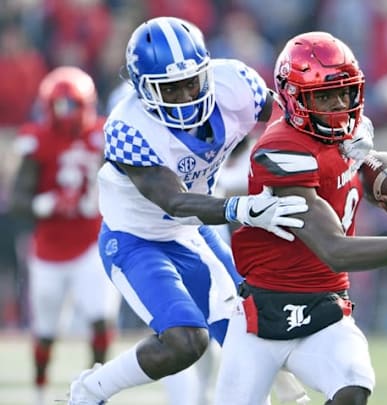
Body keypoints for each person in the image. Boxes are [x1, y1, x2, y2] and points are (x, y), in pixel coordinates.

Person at [213, 31, 387, 405]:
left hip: (326, 310)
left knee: (353, 386)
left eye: (345, 92)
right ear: (294, 98)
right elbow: (335, 249)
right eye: (324, 96)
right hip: (261, 317)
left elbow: (368, 165)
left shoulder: (349, 129)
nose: (339, 105)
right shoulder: (280, 149)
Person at [67, 16, 310, 405]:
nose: (184, 96)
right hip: (137, 240)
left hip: (193, 233)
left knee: (252, 336)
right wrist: (244, 208)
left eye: (190, 83)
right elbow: (175, 203)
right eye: (170, 88)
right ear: (143, 89)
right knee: (185, 340)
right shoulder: (128, 126)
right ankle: (91, 389)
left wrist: (351, 143)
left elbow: (292, 119)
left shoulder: (235, 83)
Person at [9, 66, 120, 405]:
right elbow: (18, 199)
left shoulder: (105, 134)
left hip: (91, 243)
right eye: (60, 106)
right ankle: (40, 390)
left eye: (72, 105)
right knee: (45, 330)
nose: (66, 113)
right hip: (49, 251)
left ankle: (93, 390)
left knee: (100, 318)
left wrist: (102, 200)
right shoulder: (38, 139)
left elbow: (130, 180)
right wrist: (49, 203)